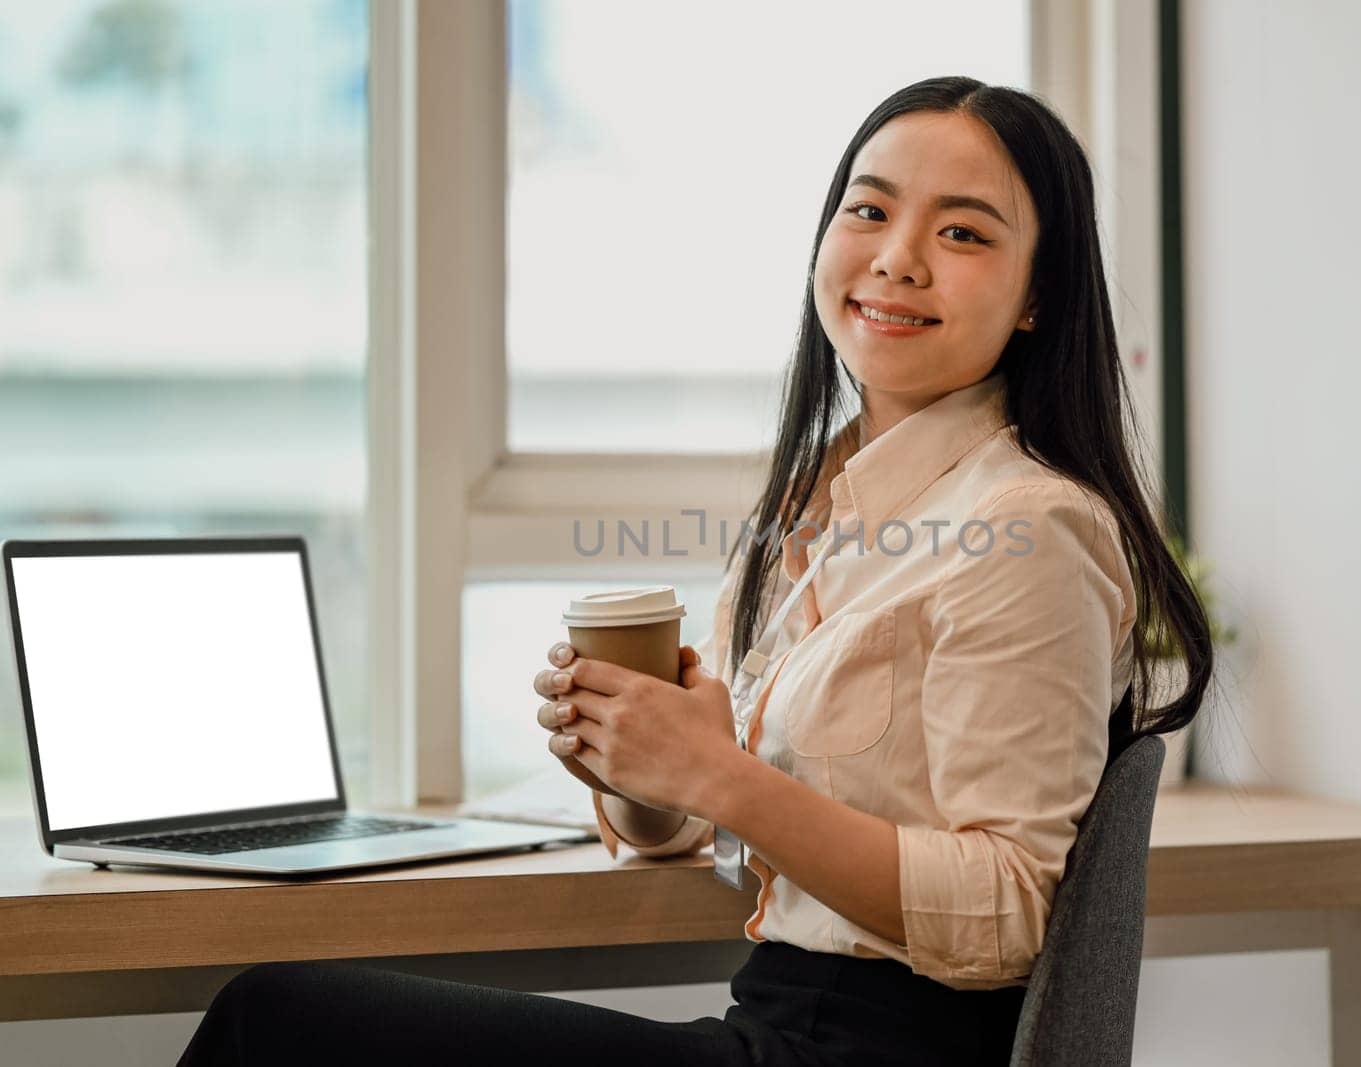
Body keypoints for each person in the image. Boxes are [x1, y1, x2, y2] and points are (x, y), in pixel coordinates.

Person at [177, 73, 1212, 1067]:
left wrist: (720, 773)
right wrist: (638, 768)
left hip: (869, 1047)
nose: (897, 258)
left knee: (273, 1020)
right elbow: (704, 828)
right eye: (868, 211)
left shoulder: (1028, 528)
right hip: (772, 1022)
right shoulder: (810, 503)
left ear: (1039, 297)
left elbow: (1007, 909)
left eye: (962, 232)